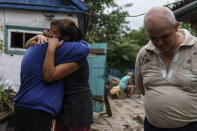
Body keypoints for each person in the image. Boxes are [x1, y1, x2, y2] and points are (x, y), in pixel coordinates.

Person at [13, 19, 90, 131]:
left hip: (23, 105)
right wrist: (47, 43)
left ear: (65, 38)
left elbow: (27, 45)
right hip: (38, 108)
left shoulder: (37, 46)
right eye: (50, 30)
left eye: (54, 32)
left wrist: (37, 37)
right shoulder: (55, 48)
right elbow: (86, 47)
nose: (49, 33)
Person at [135, 6, 197, 131]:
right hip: (151, 126)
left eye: (164, 36)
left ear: (175, 27)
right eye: (153, 38)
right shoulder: (144, 54)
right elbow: (142, 88)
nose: (159, 43)